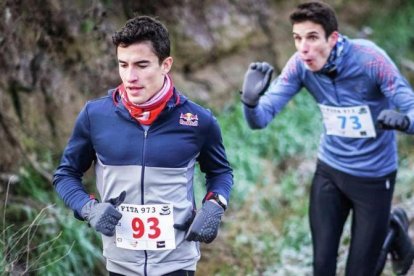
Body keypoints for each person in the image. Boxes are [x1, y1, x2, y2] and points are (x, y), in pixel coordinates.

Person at [241, 2, 414, 275]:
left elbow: (411, 107)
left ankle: (393, 229)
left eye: (311, 37)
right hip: (330, 172)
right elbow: (260, 120)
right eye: (297, 38)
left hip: (373, 176)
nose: (303, 48)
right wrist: (250, 103)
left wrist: (405, 121)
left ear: (333, 38)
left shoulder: (370, 59)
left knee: (360, 271)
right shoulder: (300, 65)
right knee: (322, 266)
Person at [53, 16, 233, 276]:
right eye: (123, 65)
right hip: (120, 264)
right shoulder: (95, 116)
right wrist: (88, 208)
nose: (130, 76)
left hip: (177, 263)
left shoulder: (198, 121)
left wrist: (216, 204)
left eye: (141, 65)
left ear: (165, 64)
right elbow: (65, 175)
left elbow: (221, 172)